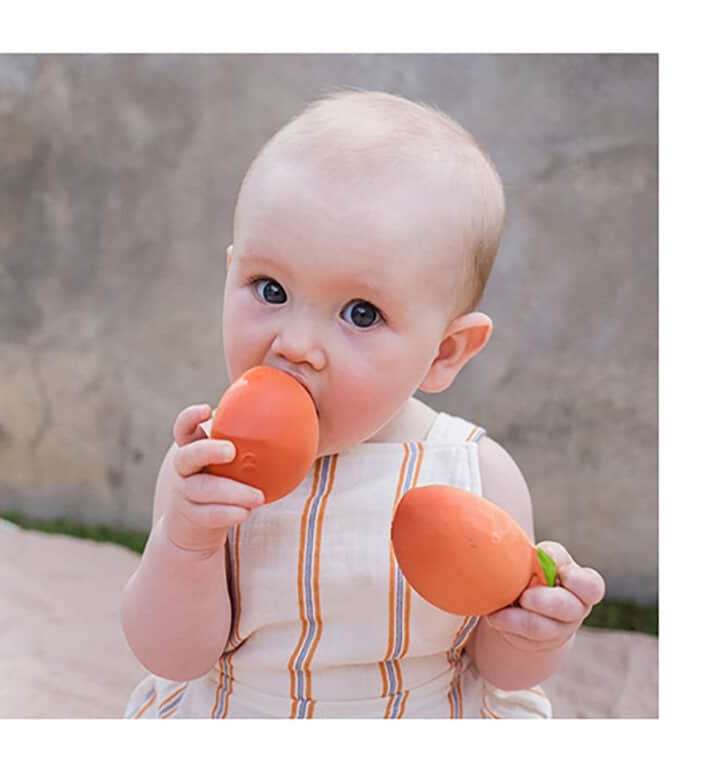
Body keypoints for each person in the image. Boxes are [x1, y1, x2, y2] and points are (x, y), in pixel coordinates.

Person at [120, 89, 606, 718]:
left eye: (361, 313)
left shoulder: (476, 476)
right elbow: (172, 657)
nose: (296, 345)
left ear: (444, 353)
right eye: (270, 290)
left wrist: (534, 630)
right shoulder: (209, 471)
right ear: (230, 275)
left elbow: (501, 669)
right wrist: (188, 542)